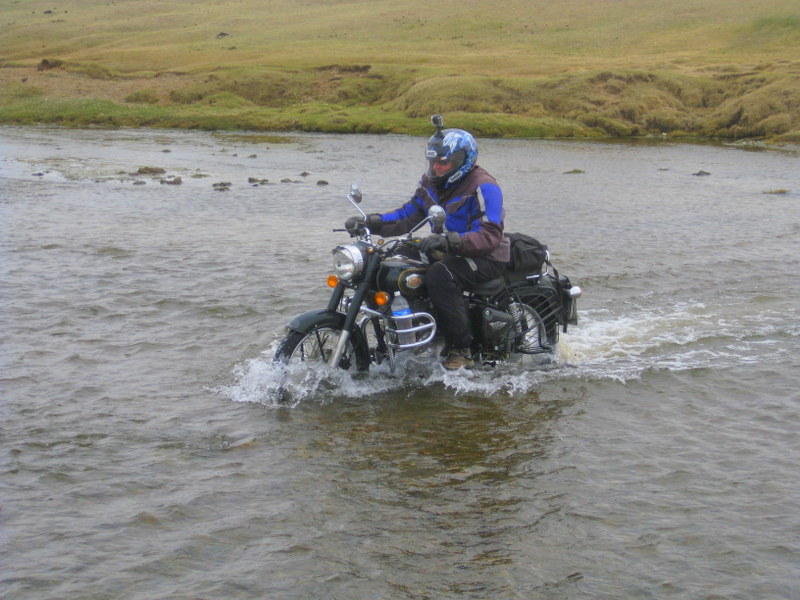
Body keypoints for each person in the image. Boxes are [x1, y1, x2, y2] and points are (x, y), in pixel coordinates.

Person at [345, 118, 510, 370]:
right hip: (446, 249)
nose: (436, 167)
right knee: (395, 260)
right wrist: (370, 221)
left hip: (486, 256)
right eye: (433, 161)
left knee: (440, 274)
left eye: (443, 162)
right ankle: (402, 336)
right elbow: (408, 215)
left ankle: (460, 347)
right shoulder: (431, 182)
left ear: (461, 160)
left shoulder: (484, 186)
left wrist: (450, 241)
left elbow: (491, 234)